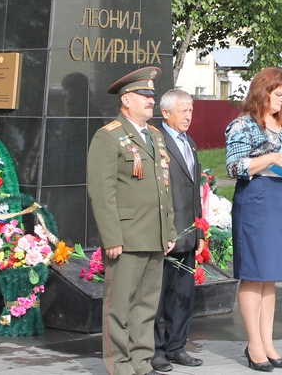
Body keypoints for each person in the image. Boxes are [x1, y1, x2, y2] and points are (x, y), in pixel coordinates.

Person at [87, 66, 176, 375]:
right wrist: (111, 236)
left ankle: (141, 362)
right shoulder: (109, 137)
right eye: (145, 95)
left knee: (147, 306)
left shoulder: (154, 135)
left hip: (154, 234)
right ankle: (120, 366)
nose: (151, 100)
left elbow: (164, 184)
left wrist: (170, 229)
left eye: (152, 95)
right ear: (126, 100)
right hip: (126, 237)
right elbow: (102, 191)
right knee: (119, 307)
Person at [225, 68, 282, 372]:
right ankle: (253, 345)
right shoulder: (243, 125)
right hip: (255, 199)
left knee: (270, 276)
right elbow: (234, 166)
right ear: (262, 93)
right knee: (254, 273)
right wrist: (270, 158)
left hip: (280, 200)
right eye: (278, 95)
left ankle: (268, 342)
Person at [152, 90, 204, 372]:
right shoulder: (155, 141)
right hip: (164, 234)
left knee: (182, 294)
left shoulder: (190, 143)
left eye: (191, 110)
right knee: (157, 296)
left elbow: (194, 191)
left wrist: (199, 229)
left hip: (187, 231)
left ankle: (176, 346)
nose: (188, 116)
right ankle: (156, 349)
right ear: (165, 113)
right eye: (183, 110)